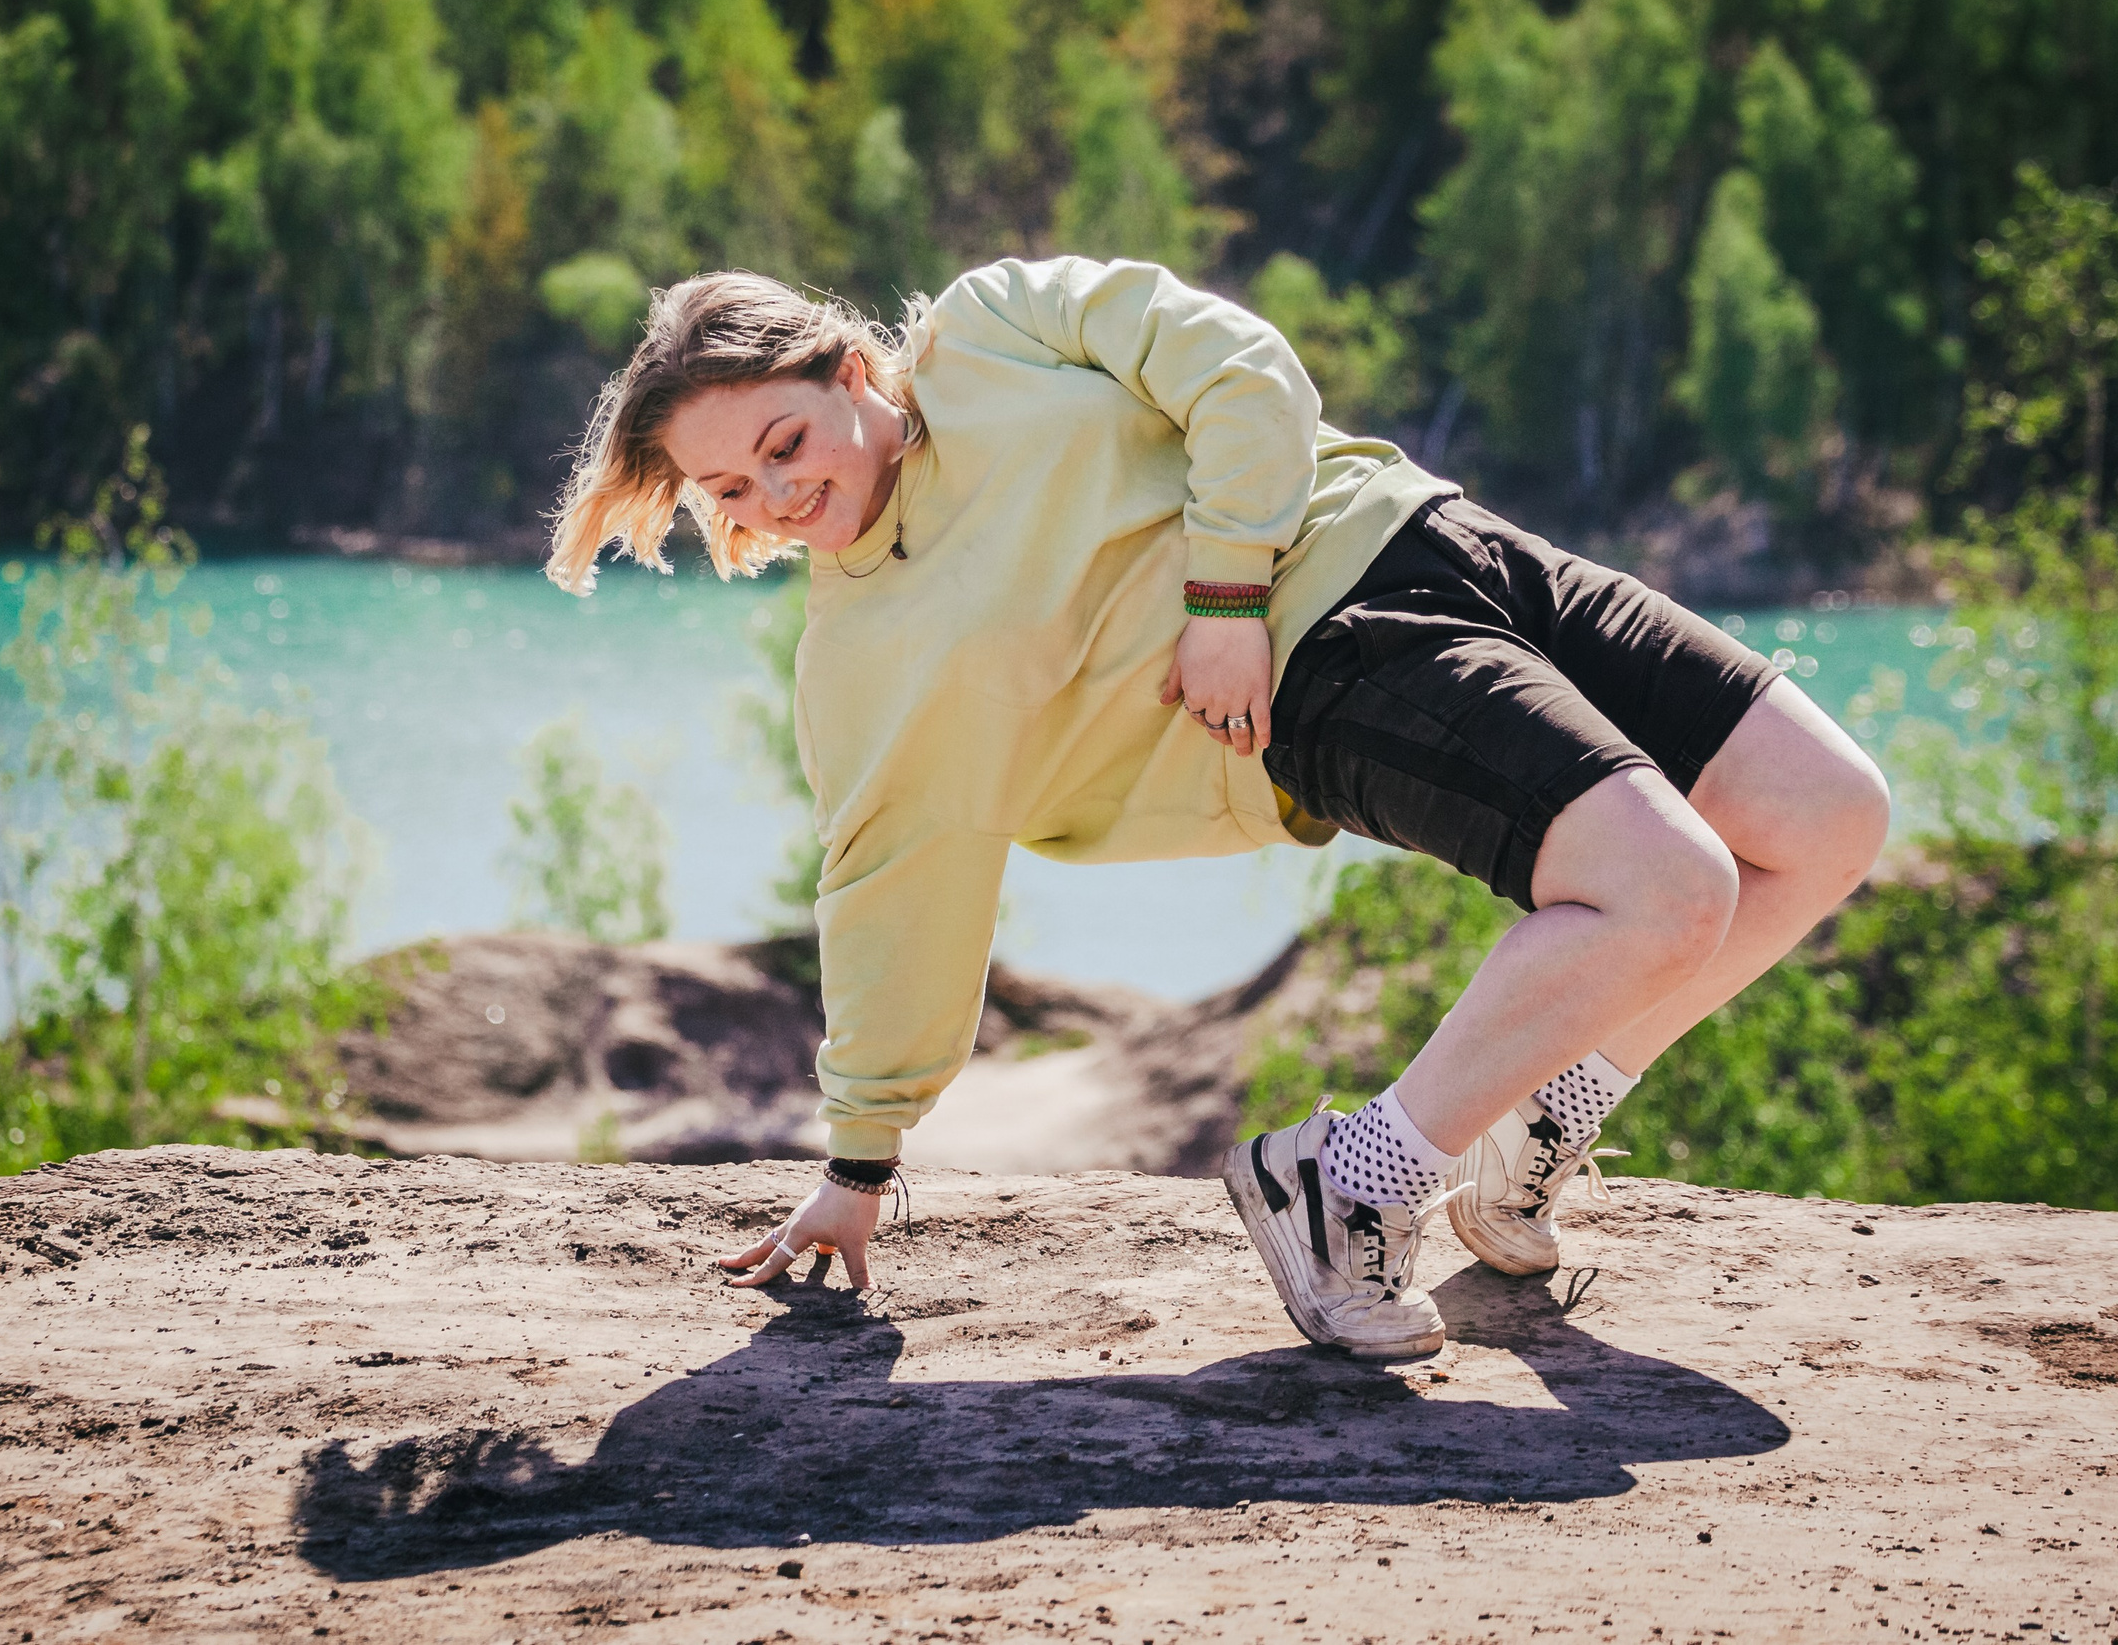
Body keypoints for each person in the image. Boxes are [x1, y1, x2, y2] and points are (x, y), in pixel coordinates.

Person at [546, 256, 1890, 1360]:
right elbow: (897, 888)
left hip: (1429, 534)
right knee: (1668, 887)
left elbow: (1235, 362)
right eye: (732, 490)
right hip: (1332, 678)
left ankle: (1543, 1105)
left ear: (851, 372)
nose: (778, 498)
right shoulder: (864, 660)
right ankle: (1353, 1179)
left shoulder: (994, 324)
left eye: (785, 444)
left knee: (1829, 815)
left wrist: (1224, 591)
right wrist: (859, 1160)